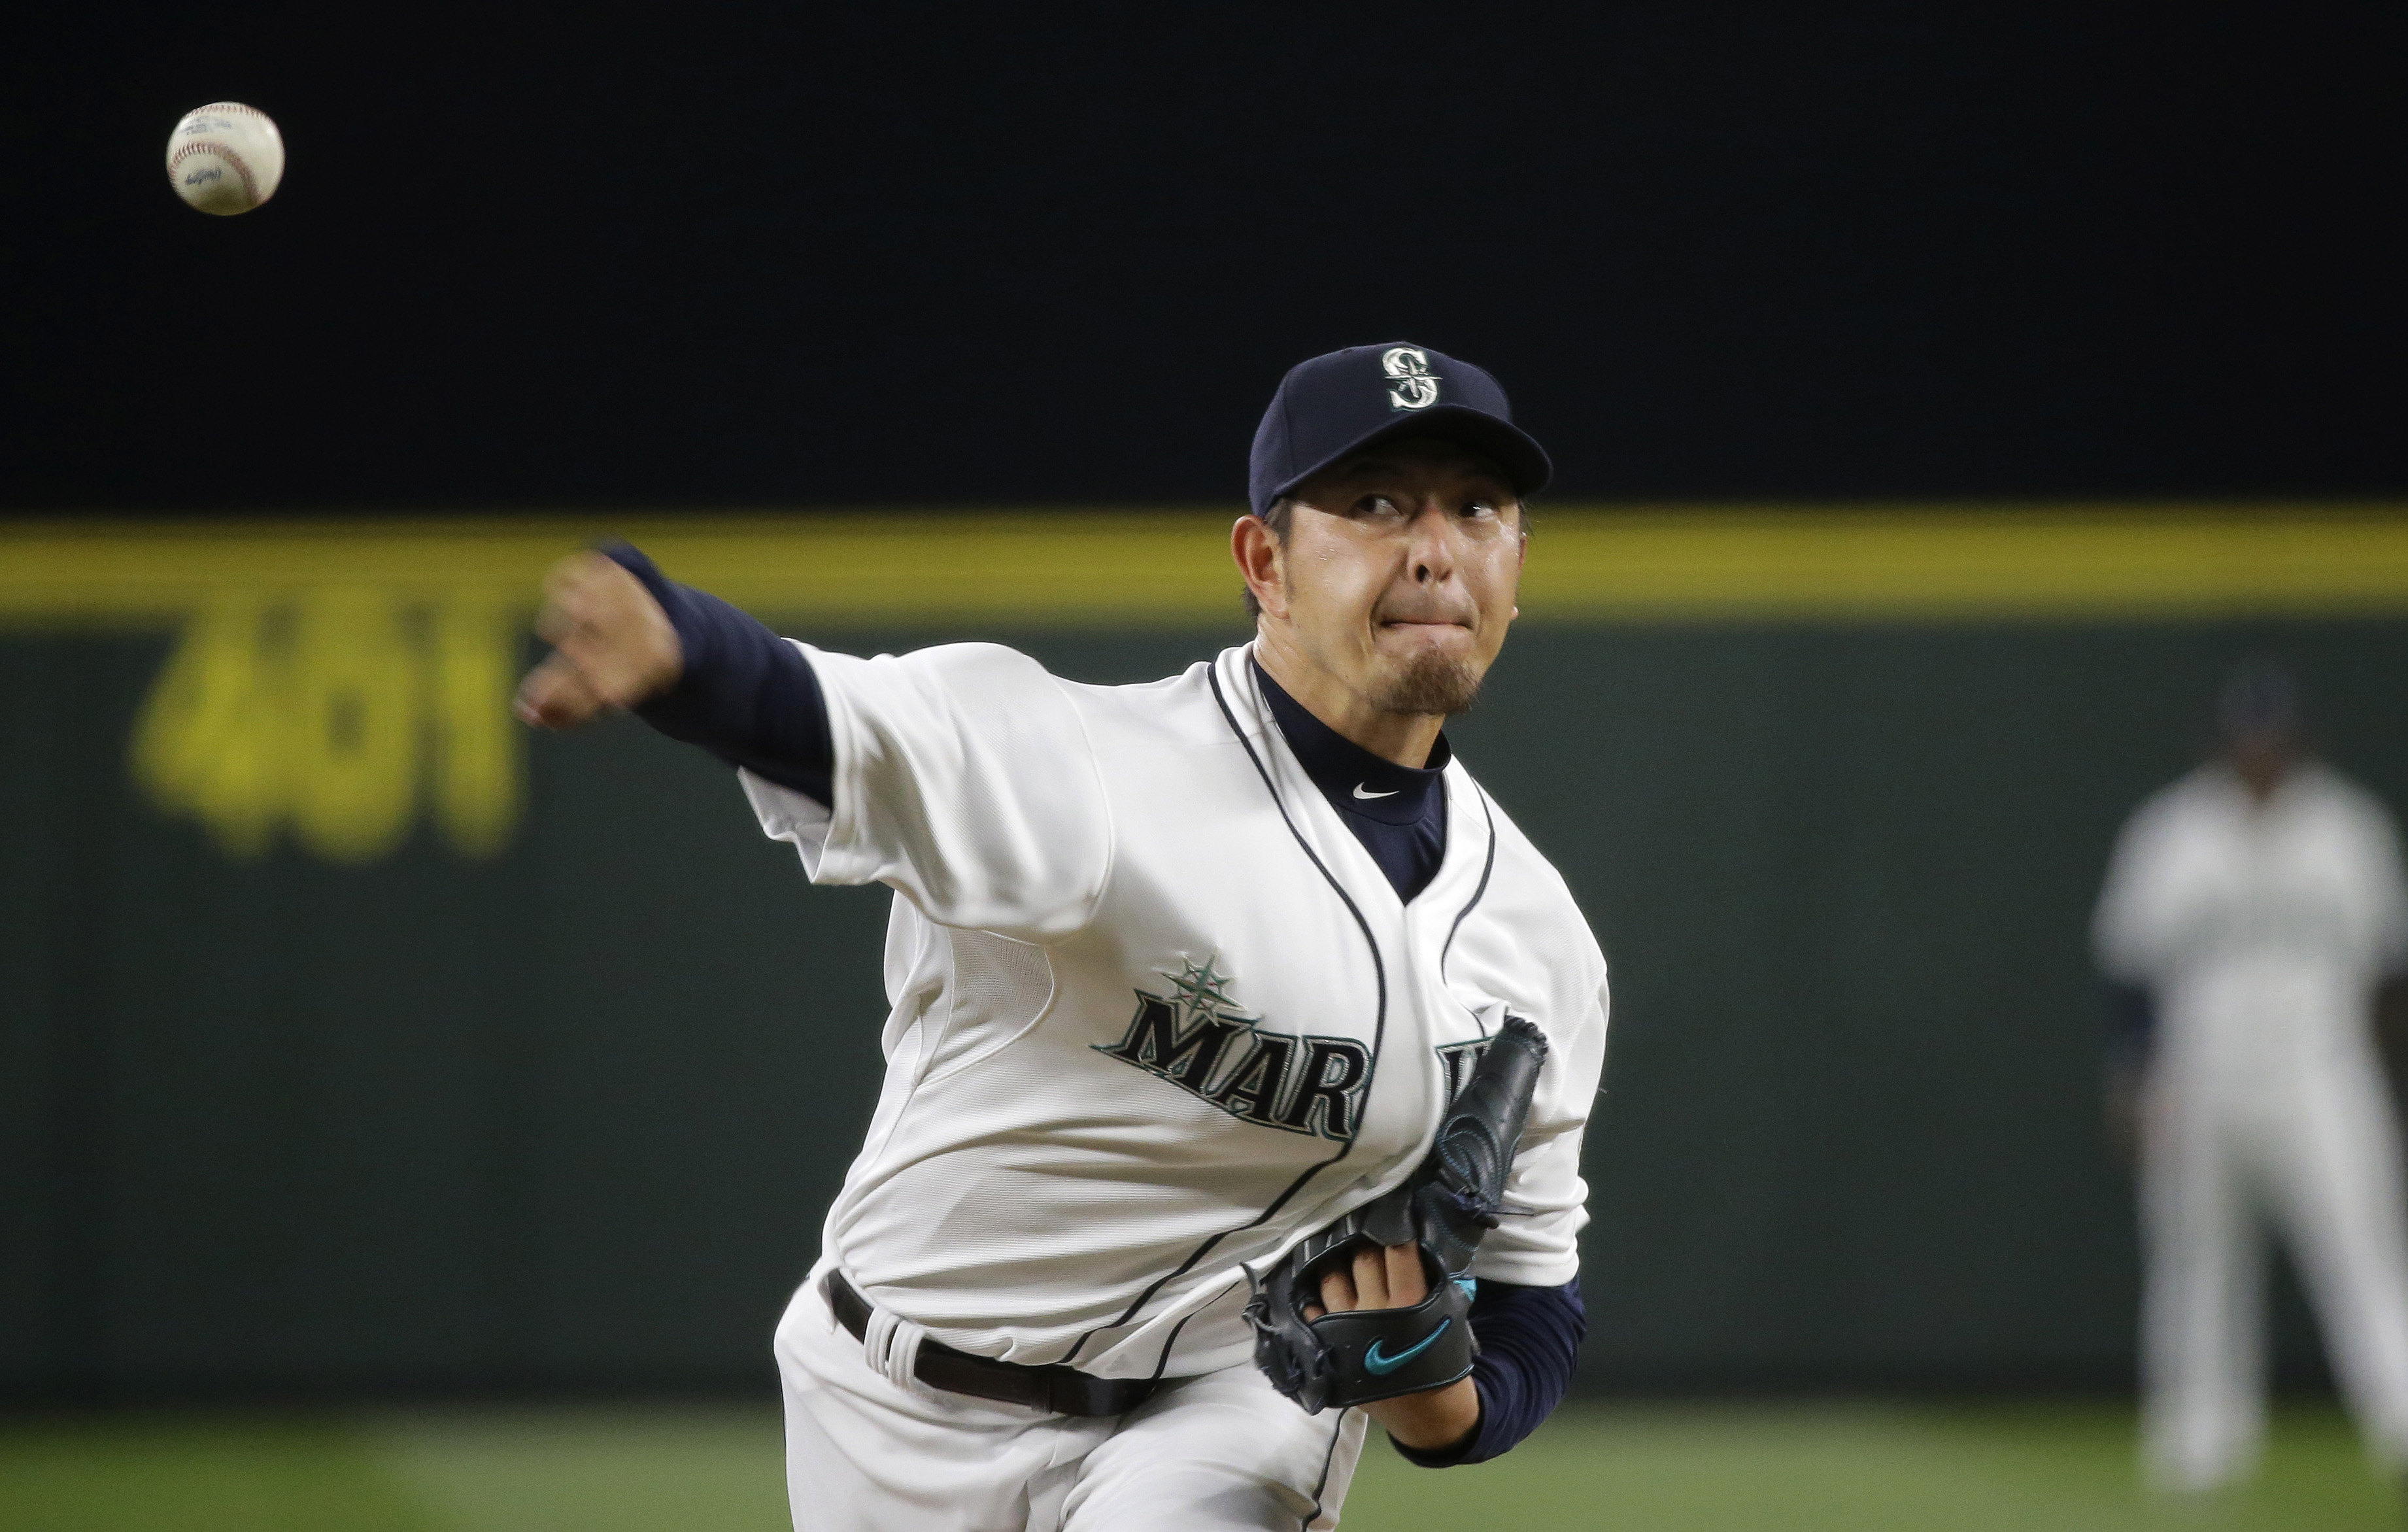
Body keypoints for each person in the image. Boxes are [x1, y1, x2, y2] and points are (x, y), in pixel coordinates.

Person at [515, 343, 1611, 1530]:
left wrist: (1449, 1410)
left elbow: (1530, 1289)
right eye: (1377, 503)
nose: (1435, 548)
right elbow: (849, 720)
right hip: (892, 1404)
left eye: (1477, 508)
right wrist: (680, 644)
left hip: (1223, 1407)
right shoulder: (1092, 772)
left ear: (1515, 563)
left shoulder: (1537, 940)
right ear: (1266, 563)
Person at [2094, 660, 2408, 1492]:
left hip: (2321, 1070)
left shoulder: (2347, 829)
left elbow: (2387, 975)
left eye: (2273, 739)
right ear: (2222, 744)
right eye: (2246, 739)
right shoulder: (2171, 831)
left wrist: (2386, 1079)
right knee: (2195, 1262)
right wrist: (2129, 1079)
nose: (2259, 753)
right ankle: (2198, 1440)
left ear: (2299, 743)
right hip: (2197, 1074)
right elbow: (2127, 973)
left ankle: (2399, 1415)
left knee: (2363, 1249)